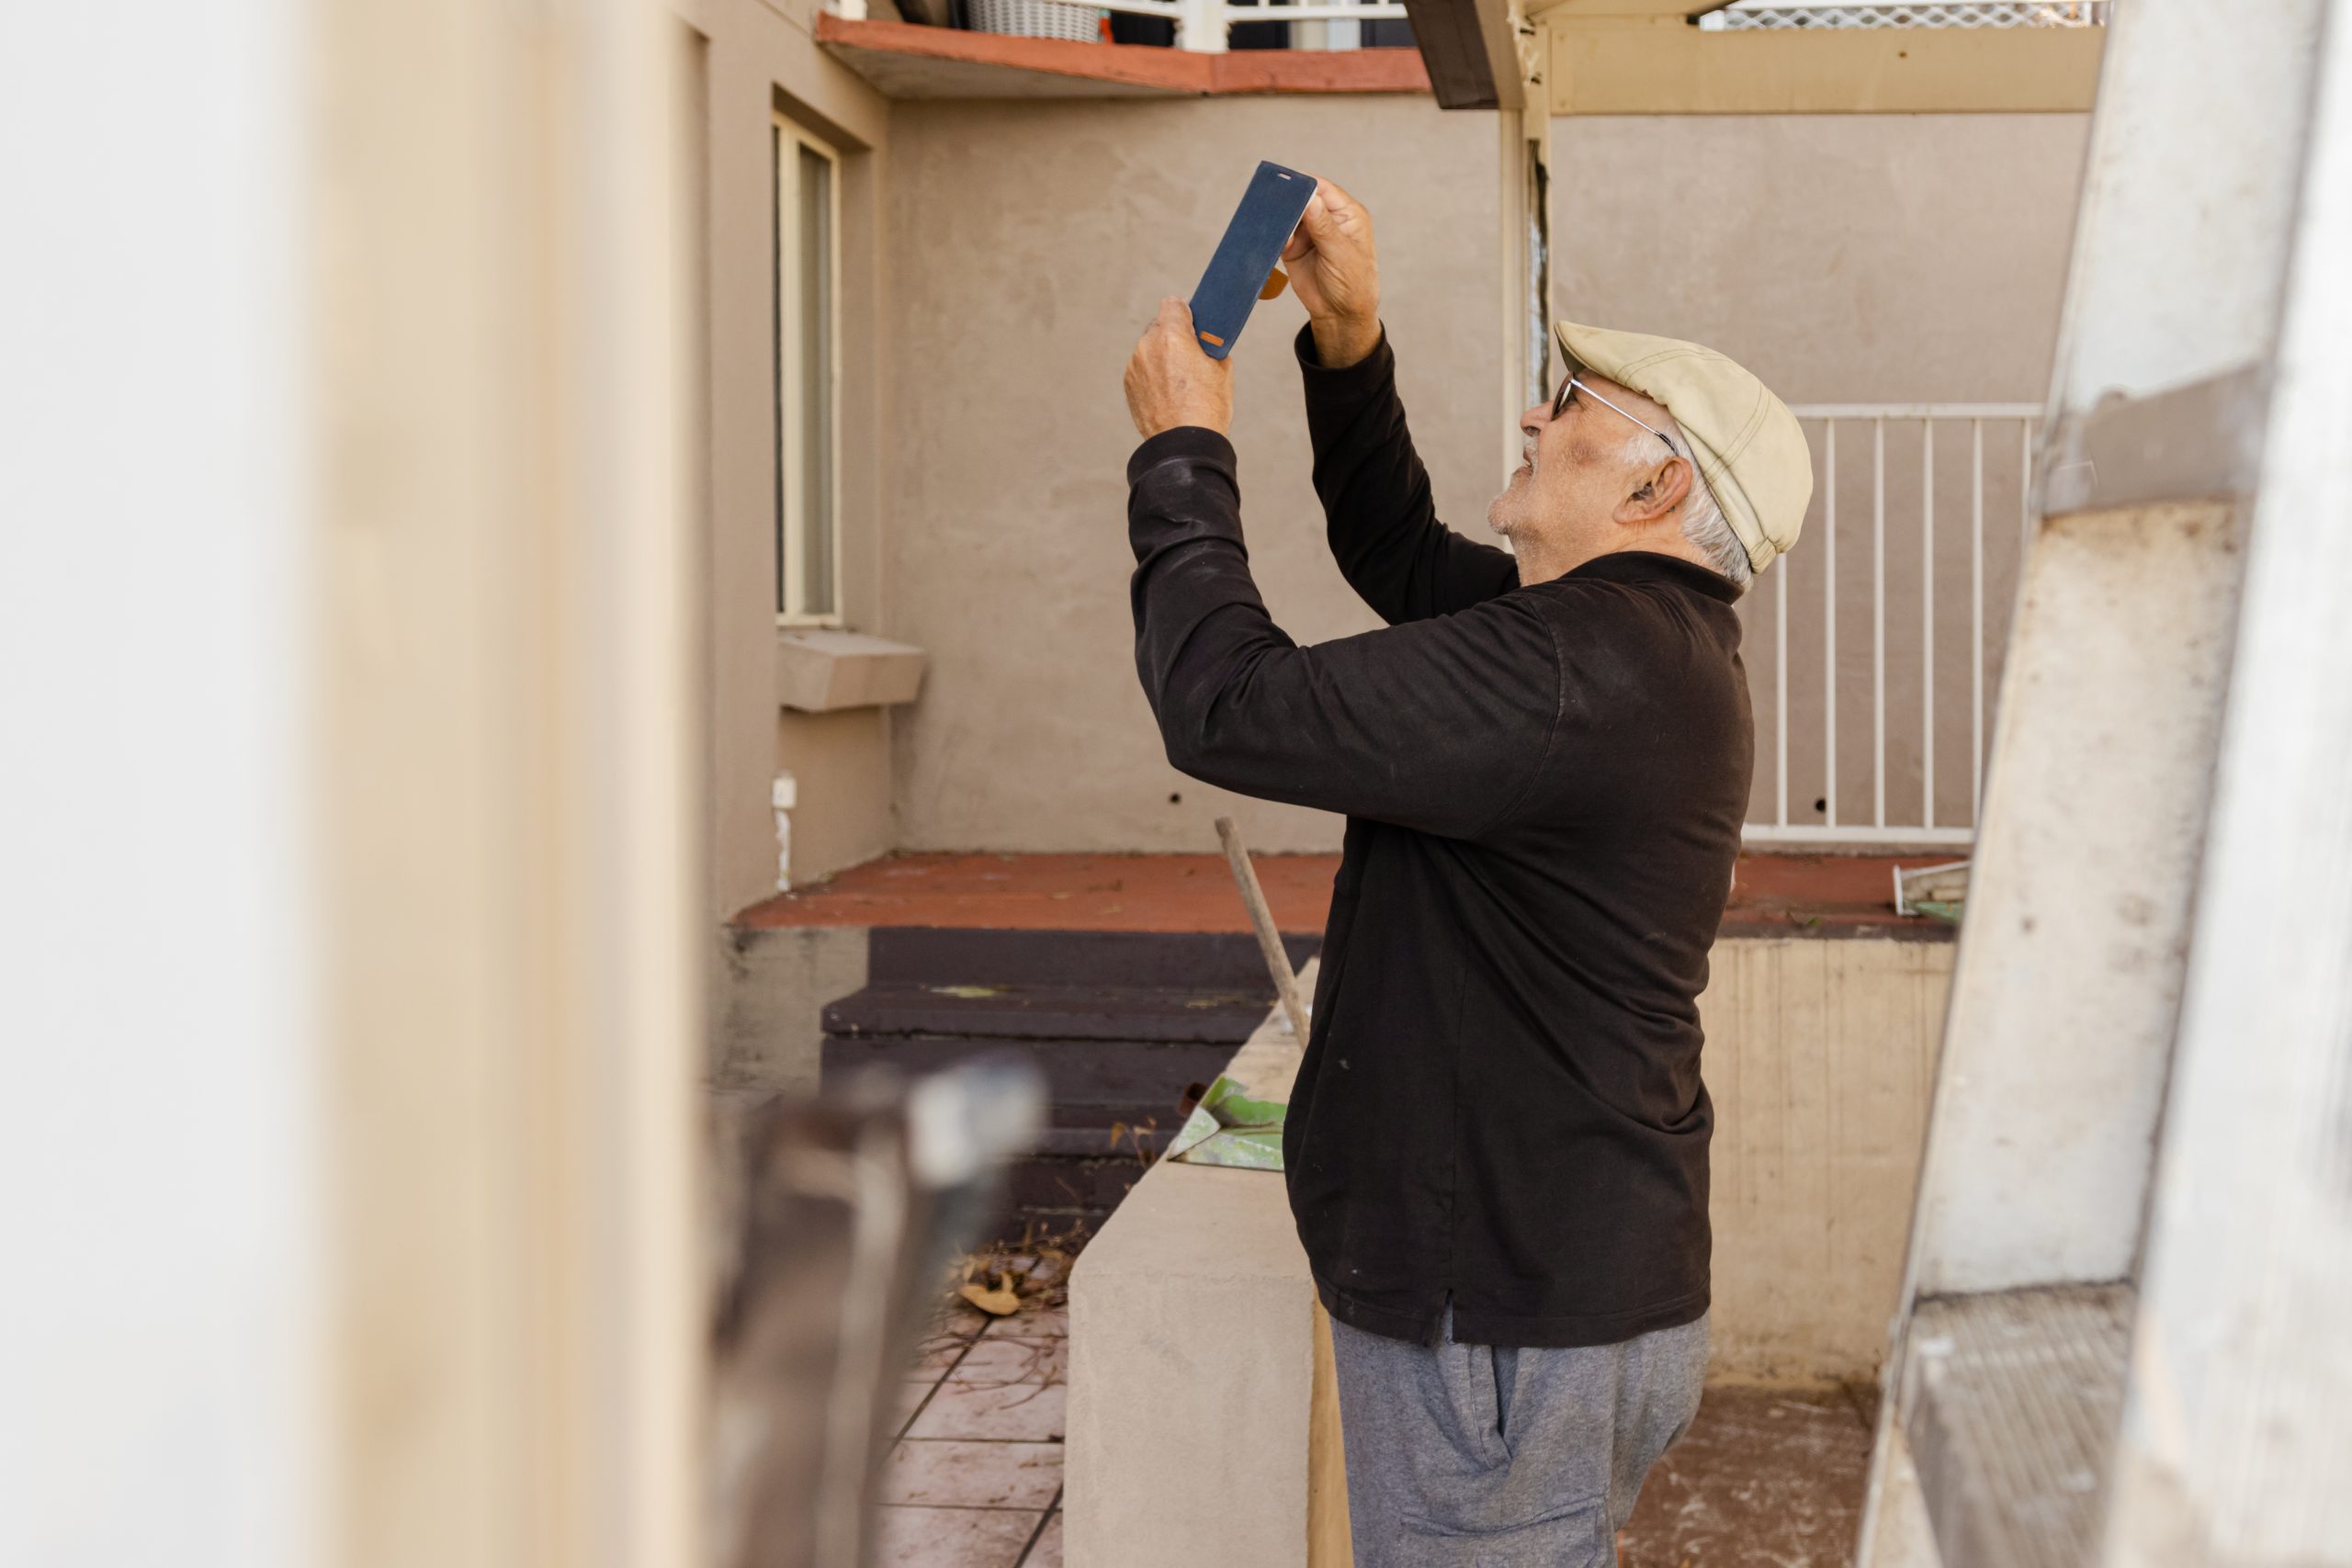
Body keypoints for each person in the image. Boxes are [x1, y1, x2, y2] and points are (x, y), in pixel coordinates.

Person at [1119, 177, 1813, 1566]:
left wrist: (1181, 453)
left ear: (1655, 481)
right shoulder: (1632, 647)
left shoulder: (1573, 670)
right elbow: (1391, 549)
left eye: (1570, 403)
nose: (1533, 415)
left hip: (1502, 1328)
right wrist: (1347, 337)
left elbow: (1229, 707)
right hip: (1565, 1294)